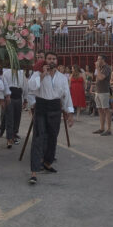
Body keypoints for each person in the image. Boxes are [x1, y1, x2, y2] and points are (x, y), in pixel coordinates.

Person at [27, 52, 74, 184]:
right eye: (49, 59)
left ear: (57, 61)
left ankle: (47, 163)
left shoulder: (62, 77)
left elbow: (66, 95)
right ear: (45, 60)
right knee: (38, 138)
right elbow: (31, 87)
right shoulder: (37, 74)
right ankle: (34, 171)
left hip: (55, 107)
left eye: (54, 59)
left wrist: (69, 113)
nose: (51, 61)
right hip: (41, 106)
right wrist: (42, 74)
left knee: (53, 137)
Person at [3, 67, 27, 148]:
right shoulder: (6, 73)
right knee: (10, 118)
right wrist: (6, 96)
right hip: (10, 97)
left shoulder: (21, 73)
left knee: (17, 117)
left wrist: (25, 98)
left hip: (19, 97)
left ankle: (14, 135)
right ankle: (9, 138)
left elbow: (25, 86)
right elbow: (4, 85)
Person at [92, 55, 112, 136]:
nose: (97, 60)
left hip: (104, 91)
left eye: (99, 59)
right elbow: (96, 78)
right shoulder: (99, 68)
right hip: (98, 91)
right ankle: (101, 128)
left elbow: (100, 77)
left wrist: (97, 67)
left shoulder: (106, 68)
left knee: (106, 110)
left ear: (103, 60)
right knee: (100, 110)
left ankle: (109, 129)